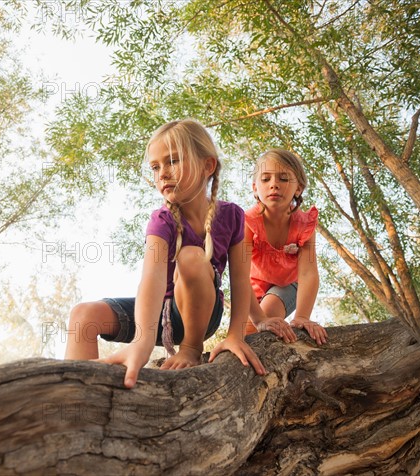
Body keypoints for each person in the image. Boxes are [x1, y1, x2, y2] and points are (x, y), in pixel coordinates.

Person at [64, 119, 267, 388]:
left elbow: (242, 282)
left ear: (208, 165)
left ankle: (191, 348)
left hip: (203, 310)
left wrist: (236, 335)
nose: (162, 174)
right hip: (163, 312)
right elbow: (152, 279)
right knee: (83, 315)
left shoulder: (231, 215)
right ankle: (79, 395)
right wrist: (142, 341)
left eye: (172, 161)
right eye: (156, 167)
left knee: (191, 257)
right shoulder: (161, 221)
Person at [244, 149, 328, 345]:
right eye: (266, 179)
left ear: (298, 188)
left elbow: (308, 273)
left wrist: (302, 317)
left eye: (283, 179)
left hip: (288, 284)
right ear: (255, 188)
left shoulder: (304, 224)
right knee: (246, 336)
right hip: (252, 287)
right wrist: (258, 319)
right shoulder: (248, 222)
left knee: (269, 312)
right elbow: (239, 275)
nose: (274, 184)